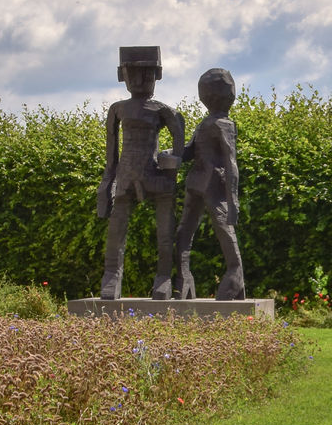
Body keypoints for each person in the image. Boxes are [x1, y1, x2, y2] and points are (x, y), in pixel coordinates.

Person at [96, 46, 184, 300]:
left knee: (165, 231)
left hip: (156, 175)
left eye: (146, 74)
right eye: (132, 74)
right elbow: (110, 153)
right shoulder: (118, 109)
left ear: (156, 75)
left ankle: (164, 277)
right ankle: (111, 276)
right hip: (125, 175)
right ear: (122, 75)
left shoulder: (162, 110)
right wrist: (106, 184)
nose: (139, 80)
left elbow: (179, 138)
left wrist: (172, 163)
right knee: (116, 230)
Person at [175, 67, 246, 300]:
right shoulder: (205, 123)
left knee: (223, 227)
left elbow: (231, 161)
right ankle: (184, 277)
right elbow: (189, 152)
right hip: (196, 182)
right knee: (184, 232)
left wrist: (233, 199)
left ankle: (235, 273)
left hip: (213, 184)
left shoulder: (225, 125)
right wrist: (167, 155)